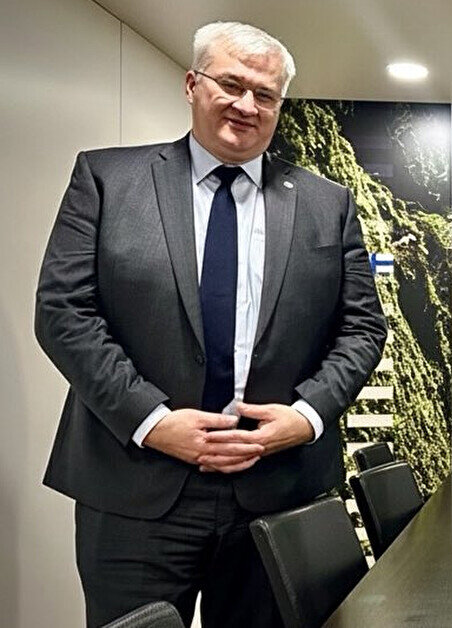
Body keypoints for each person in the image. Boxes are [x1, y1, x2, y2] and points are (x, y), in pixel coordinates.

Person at [34, 21, 387, 627]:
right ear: (192, 84)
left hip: (279, 490)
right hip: (135, 487)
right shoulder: (107, 180)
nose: (247, 105)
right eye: (231, 84)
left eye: (265, 94)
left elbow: (362, 329)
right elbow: (64, 312)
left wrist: (305, 417)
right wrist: (152, 421)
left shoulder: (327, 204)